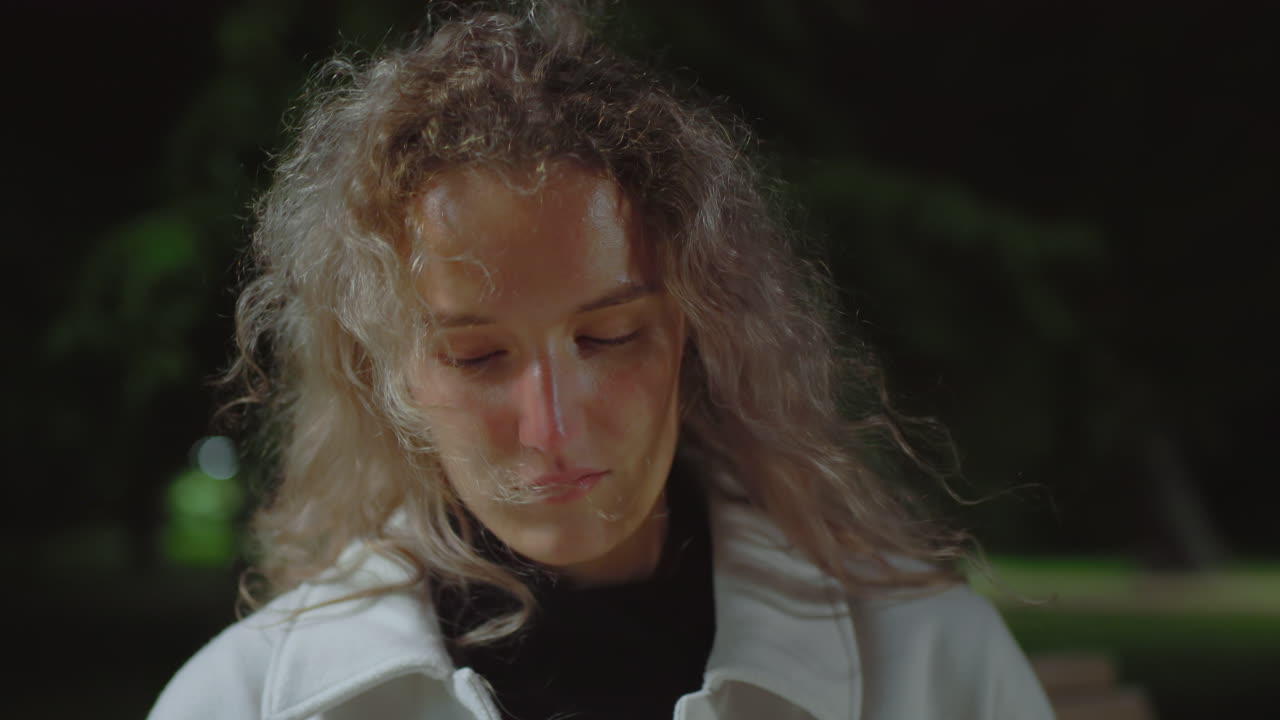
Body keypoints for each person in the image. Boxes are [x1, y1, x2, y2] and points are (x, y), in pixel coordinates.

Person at [150, 2, 1055, 718]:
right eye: (474, 356)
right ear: (384, 377)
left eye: (609, 338)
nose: (554, 428)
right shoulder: (243, 701)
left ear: (695, 331)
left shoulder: (937, 672)